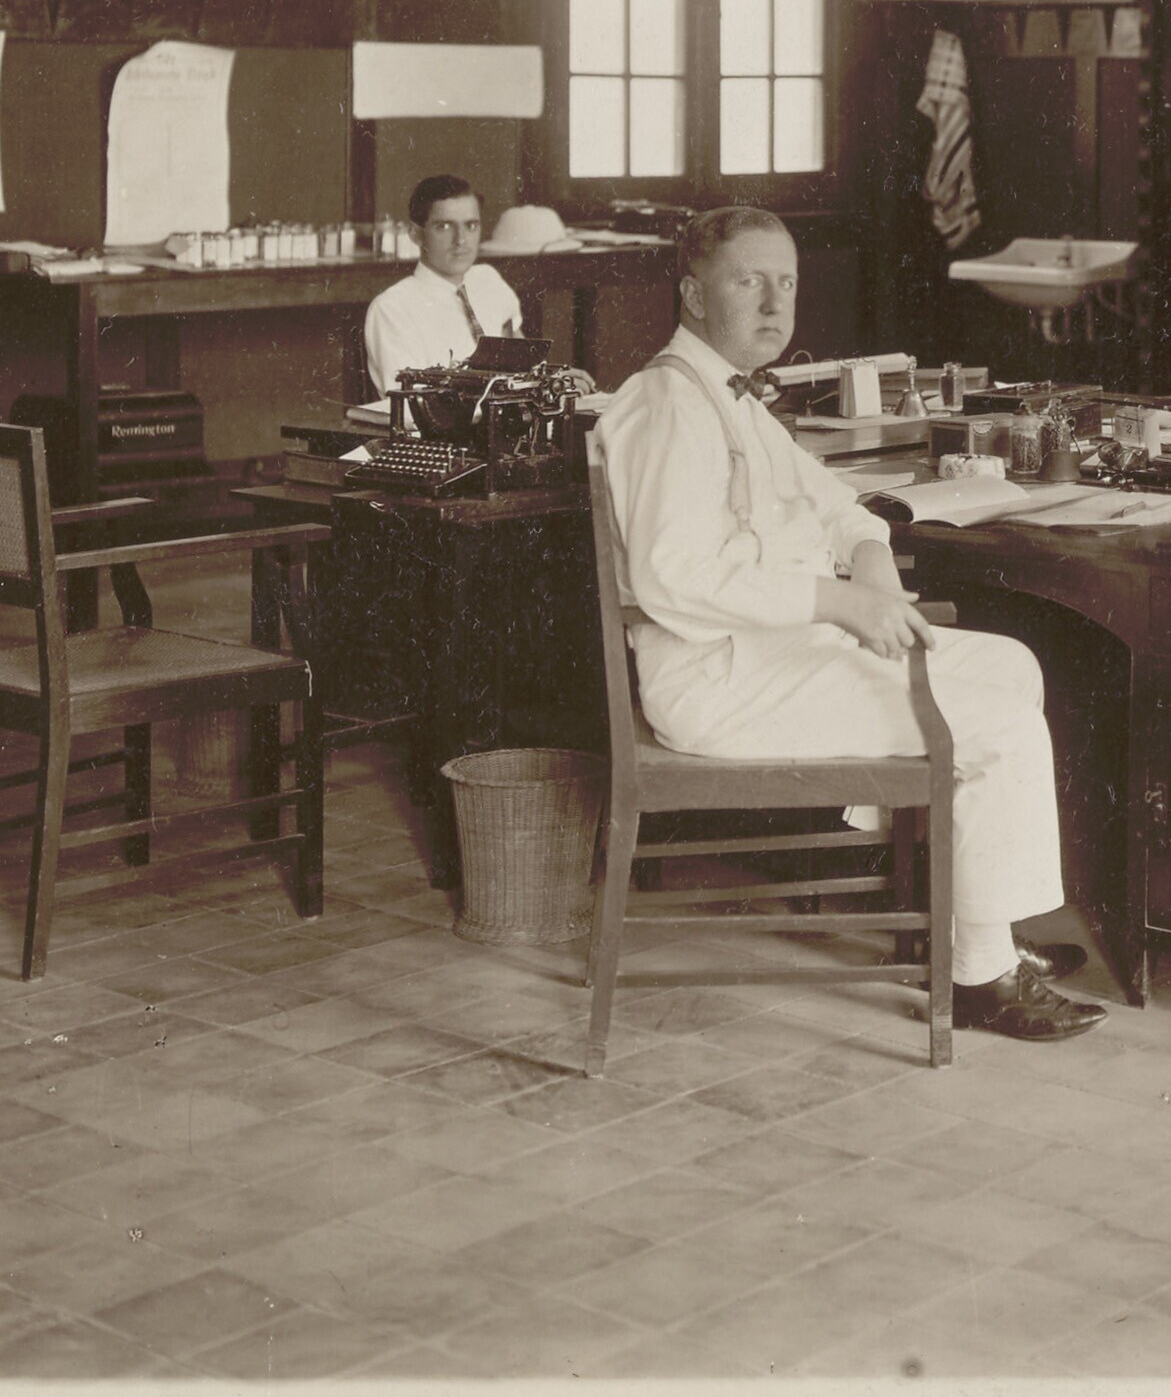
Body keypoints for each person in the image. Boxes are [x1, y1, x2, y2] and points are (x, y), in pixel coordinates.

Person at [595, 205, 1103, 1040]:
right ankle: (983, 976)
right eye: (748, 281)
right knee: (1000, 727)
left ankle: (972, 922)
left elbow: (837, 504)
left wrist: (869, 560)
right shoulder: (666, 404)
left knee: (1009, 666)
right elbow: (671, 576)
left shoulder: (730, 396)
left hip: (775, 655)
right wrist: (840, 604)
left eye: (787, 283)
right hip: (720, 681)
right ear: (693, 293)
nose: (774, 304)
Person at [362, 175, 525, 391]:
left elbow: (525, 367)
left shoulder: (488, 280)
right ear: (416, 234)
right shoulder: (391, 308)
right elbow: (410, 403)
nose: (461, 240)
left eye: (471, 225)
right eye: (444, 227)